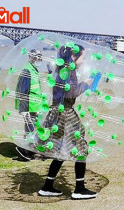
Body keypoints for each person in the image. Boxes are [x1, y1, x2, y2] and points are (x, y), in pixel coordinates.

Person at [38, 44, 97, 199]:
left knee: (60, 152)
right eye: (83, 57)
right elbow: (71, 94)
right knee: (81, 149)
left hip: (58, 112)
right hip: (66, 113)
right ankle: (79, 189)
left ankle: (47, 186)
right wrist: (87, 84)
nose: (84, 61)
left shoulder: (62, 70)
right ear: (73, 57)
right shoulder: (69, 72)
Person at [14, 49, 44, 160]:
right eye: (36, 57)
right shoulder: (27, 71)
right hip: (29, 108)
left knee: (33, 131)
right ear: (30, 58)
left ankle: (30, 151)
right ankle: (23, 152)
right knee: (30, 131)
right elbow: (23, 92)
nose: (38, 59)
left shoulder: (34, 70)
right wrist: (23, 110)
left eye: (40, 57)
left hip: (35, 107)